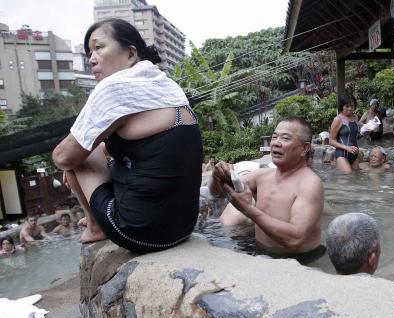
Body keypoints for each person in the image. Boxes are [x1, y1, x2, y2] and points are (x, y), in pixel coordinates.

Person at [52, 19, 202, 252]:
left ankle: (95, 227)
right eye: (89, 53)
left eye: (99, 48)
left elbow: (63, 157)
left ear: (131, 53)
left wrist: (77, 162)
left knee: (77, 157)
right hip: (183, 227)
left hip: (138, 232)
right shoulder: (166, 85)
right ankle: (99, 218)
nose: (91, 59)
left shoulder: (114, 87)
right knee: (92, 149)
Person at [209, 116, 324, 259]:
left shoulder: (310, 184)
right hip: (259, 252)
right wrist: (216, 176)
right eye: (274, 137)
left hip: (298, 261)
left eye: (285, 138)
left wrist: (247, 208)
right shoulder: (262, 176)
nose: (276, 143)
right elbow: (218, 193)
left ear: (304, 148)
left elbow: (295, 239)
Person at [329, 96, 360, 173]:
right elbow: (331, 141)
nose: (350, 108)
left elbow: (354, 136)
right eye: (347, 106)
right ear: (342, 106)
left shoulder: (356, 117)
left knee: (356, 177)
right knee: (348, 175)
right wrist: (347, 148)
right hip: (342, 154)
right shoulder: (338, 120)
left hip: (354, 154)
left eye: (352, 106)